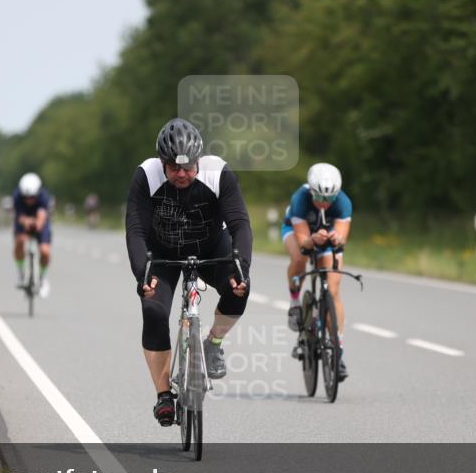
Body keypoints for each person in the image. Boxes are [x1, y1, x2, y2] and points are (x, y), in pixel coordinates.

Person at [125, 118, 252, 426]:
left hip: (210, 247)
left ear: (199, 160)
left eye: (188, 167)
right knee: (154, 311)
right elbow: (136, 229)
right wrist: (143, 273)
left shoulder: (218, 172)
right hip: (162, 254)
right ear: (162, 163)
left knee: (239, 289)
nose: (181, 174)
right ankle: (164, 395)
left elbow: (239, 224)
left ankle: (213, 343)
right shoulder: (146, 175)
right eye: (173, 168)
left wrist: (241, 267)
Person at [282, 163, 352, 380]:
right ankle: (295, 304)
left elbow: (341, 238)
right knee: (300, 257)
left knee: (333, 289)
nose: (324, 203)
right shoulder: (300, 199)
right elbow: (303, 242)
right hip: (298, 233)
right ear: (311, 191)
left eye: (329, 199)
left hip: (327, 238)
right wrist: (312, 240)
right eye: (320, 197)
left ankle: (337, 349)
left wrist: (336, 238)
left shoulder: (343, 203)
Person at [13, 172, 53, 298]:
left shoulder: (44, 197)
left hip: (39, 222)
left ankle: (41, 277)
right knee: (20, 242)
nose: (29, 200)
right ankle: (21, 272)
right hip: (24, 221)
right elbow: (20, 217)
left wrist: (36, 224)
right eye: (26, 197)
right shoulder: (17, 196)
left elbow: (42, 218)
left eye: (32, 197)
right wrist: (26, 222)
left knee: (45, 251)